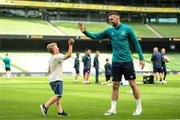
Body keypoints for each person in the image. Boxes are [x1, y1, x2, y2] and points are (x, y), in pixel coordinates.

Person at [79, 11, 145, 116]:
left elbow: (136, 44)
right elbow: (96, 36)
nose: (110, 21)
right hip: (115, 62)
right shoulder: (110, 31)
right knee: (115, 85)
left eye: (112, 19)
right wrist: (85, 32)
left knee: (132, 84)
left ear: (118, 18)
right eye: (109, 19)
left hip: (127, 61)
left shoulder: (128, 29)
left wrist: (141, 58)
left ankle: (139, 107)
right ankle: (113, 109)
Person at [40, 39, 74, 117]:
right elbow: (68, 55)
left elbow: (48, 70)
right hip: (57, 79)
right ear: (53, 50)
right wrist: (71, 45)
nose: (58, 48)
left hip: (52, 79)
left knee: (57, 96)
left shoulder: (51, 58)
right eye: (56, 47)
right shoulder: (57, 56)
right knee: (59, 95)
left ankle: (60, 111)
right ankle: (45, 106)